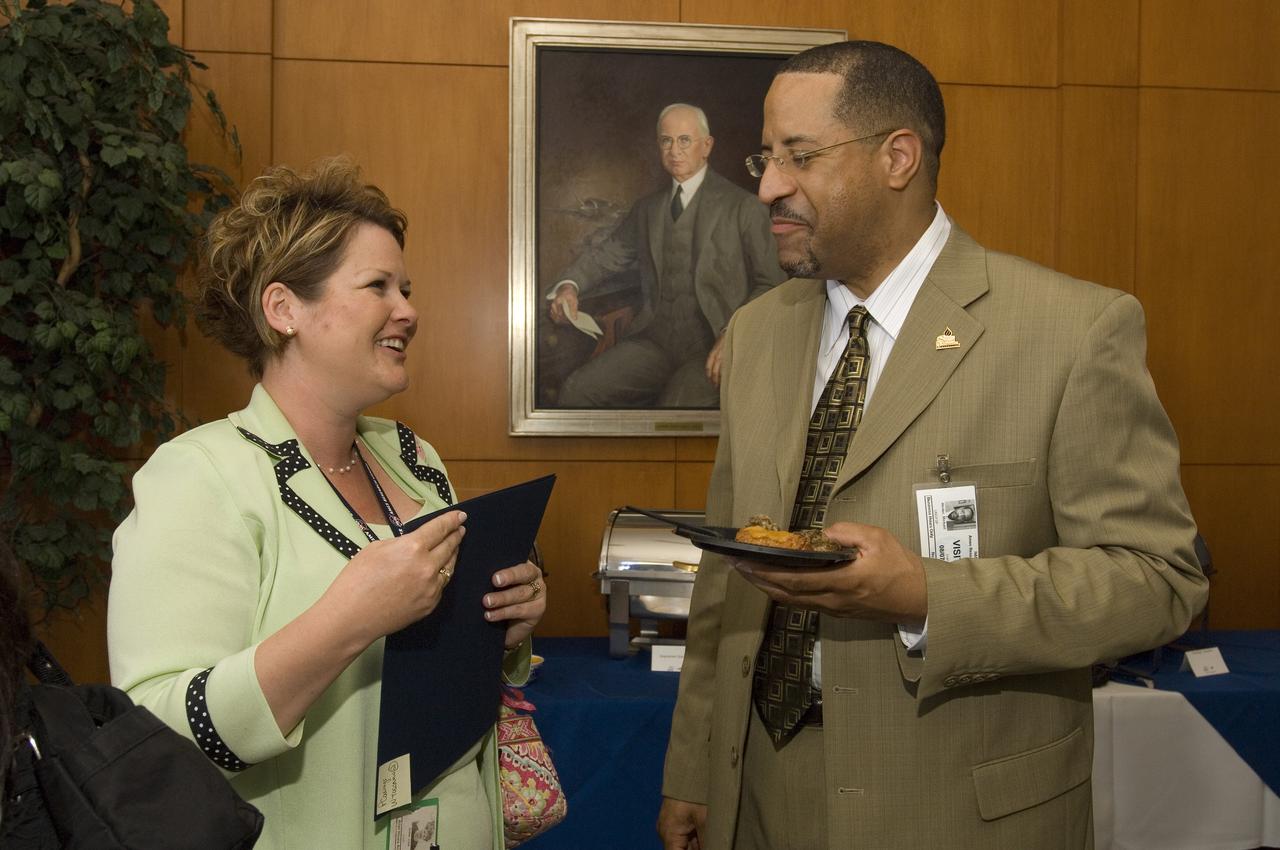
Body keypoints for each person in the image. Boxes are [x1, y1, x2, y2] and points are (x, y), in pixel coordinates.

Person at [658, 41, 1209, 849]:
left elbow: (1158, 578)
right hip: (761, 797)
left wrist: (926, 596)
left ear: (899, 158)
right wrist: (695, 771)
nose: (769, 185)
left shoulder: (1072, 331)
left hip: (957, 813)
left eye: (800, 157)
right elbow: (725, 581)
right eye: (766, 156)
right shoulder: (755, 334)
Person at [108, 158, 547, 850]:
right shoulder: (199, 476)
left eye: (405, 287)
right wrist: (347, 620)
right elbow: (161, 727)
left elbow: (436, 664)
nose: (408, 310)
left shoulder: (416, 460)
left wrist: (506, 624)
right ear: (283, 310)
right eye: (377, 286)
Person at [547, 103, 786, 408]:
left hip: (713, 346)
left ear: (707, 146)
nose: (675, 150)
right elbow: (606, 256)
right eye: (666, 141)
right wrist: (570, 284)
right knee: (577, 391)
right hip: (653, 344)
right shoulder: (647, 210)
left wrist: (734, 335)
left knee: (675, 408)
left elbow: (773, 284)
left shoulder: (744, 207)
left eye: (684, 140)